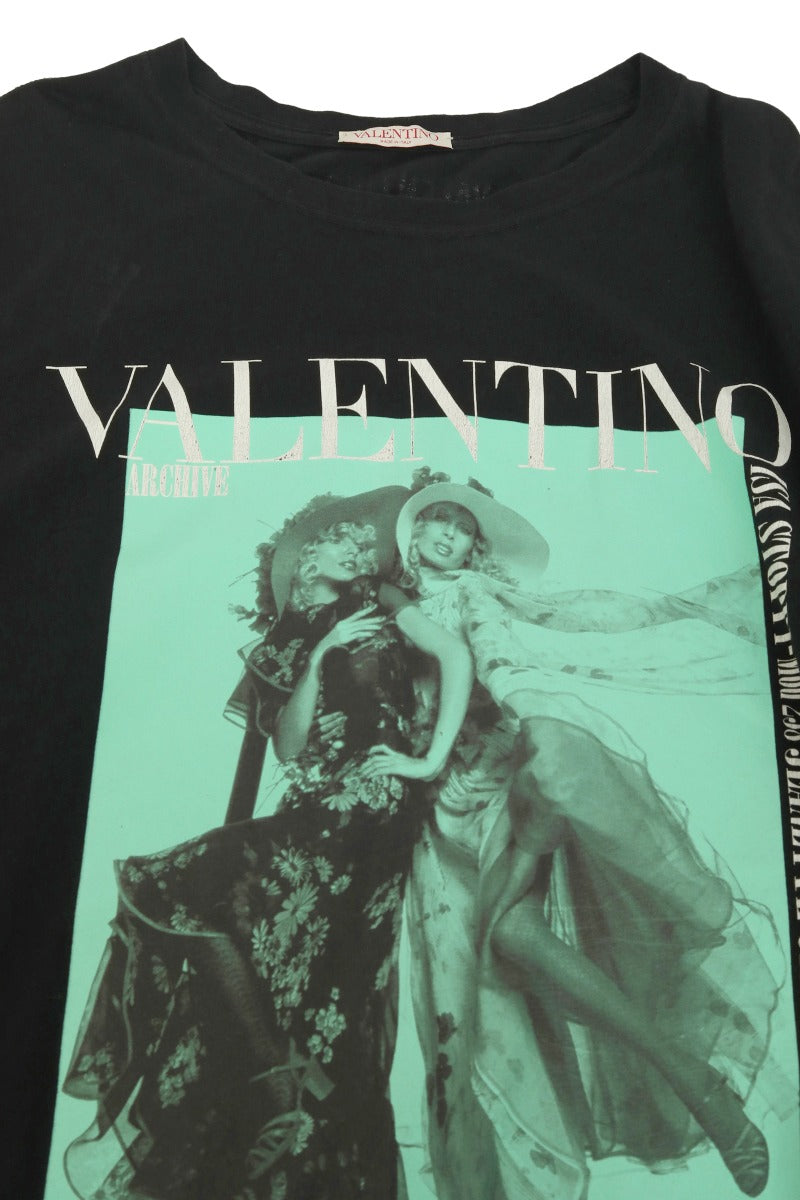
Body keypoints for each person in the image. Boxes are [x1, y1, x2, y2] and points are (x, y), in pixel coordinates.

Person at [364, 472, 791, 1200]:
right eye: (439, 520)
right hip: (444, 815)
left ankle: (694, 1082)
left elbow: (490, 658)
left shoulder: (470, 595)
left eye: (463, 528)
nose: (450, 535)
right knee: (501, 960)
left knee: (510, 940)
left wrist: (485, 734)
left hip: (510, 777)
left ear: (475, 548)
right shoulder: (392, 603)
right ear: (415, 530)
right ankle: (693, 1082)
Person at [60, 485, 473, 1200]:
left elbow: (454, 656)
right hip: (319, 803)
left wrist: (429, 759)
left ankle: (278, 1085)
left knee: (191, 886)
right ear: (303, 557)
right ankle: (281, 1094)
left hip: (371, 803)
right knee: (314, 986)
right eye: (339, 538)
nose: (355, 548)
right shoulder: (283, 643)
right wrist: (319, 658)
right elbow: (288, 746)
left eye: (359, 541)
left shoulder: (379, 597)